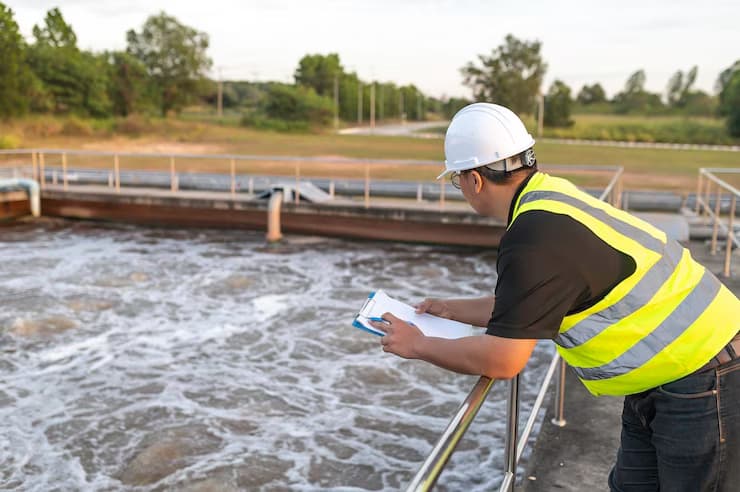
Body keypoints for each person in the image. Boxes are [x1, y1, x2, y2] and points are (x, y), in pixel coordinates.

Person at [368, 102, 740, 491]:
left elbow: (504, 359)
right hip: (674, 371)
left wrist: (419, 345)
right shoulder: (549, 199)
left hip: (703, 377)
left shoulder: (533, 238)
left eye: (455, 180)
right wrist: (451, 310)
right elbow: (531, 303)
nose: (458, 189)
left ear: (475, 180)